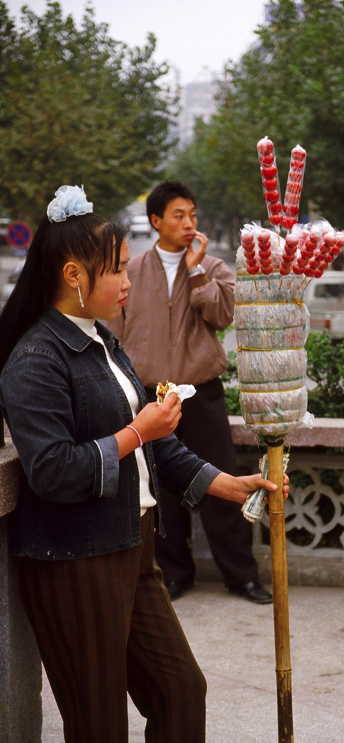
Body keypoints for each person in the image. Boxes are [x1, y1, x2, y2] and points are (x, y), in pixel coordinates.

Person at [0, 185, 285, 743]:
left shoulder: (103, 340)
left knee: (181, 690)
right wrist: (137, 431)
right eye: (118, 271)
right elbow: (53, 470)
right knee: (99, 721)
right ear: (75, 275)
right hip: (74, 561)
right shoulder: (35, 359)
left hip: (132, 548)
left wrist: (229, 484)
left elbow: (158, 448)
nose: (129, 282)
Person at [108, 180, 272, 604]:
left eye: (193, 215)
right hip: (149, 398)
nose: (188, 223)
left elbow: (223, 315)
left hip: (200, 393)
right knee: (163, 489)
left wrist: (196, 271)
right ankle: (175, 574)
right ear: (156, 220)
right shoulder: (132, 270)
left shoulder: (214, 268)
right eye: (178, 215)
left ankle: (242, 576)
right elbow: (113, 332)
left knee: (224, 482)